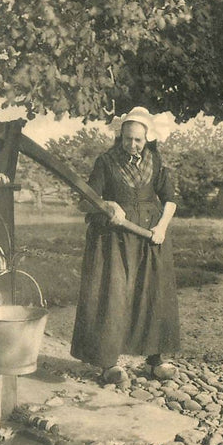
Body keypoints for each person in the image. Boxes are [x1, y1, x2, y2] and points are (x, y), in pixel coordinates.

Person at [70, 106, 180, 383]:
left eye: (138, 140)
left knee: (152, 294)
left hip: (149, 237)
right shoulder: (105, 162)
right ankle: (109, 364)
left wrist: (162, 227)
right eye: (127, 139)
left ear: (147, 140)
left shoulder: (156, 161)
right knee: (113, 295)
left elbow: (169, 198)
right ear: (120, 137)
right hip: (113, 240)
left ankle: (155, 361)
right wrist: (106, 204)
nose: (132, 144)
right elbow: (86, 198)